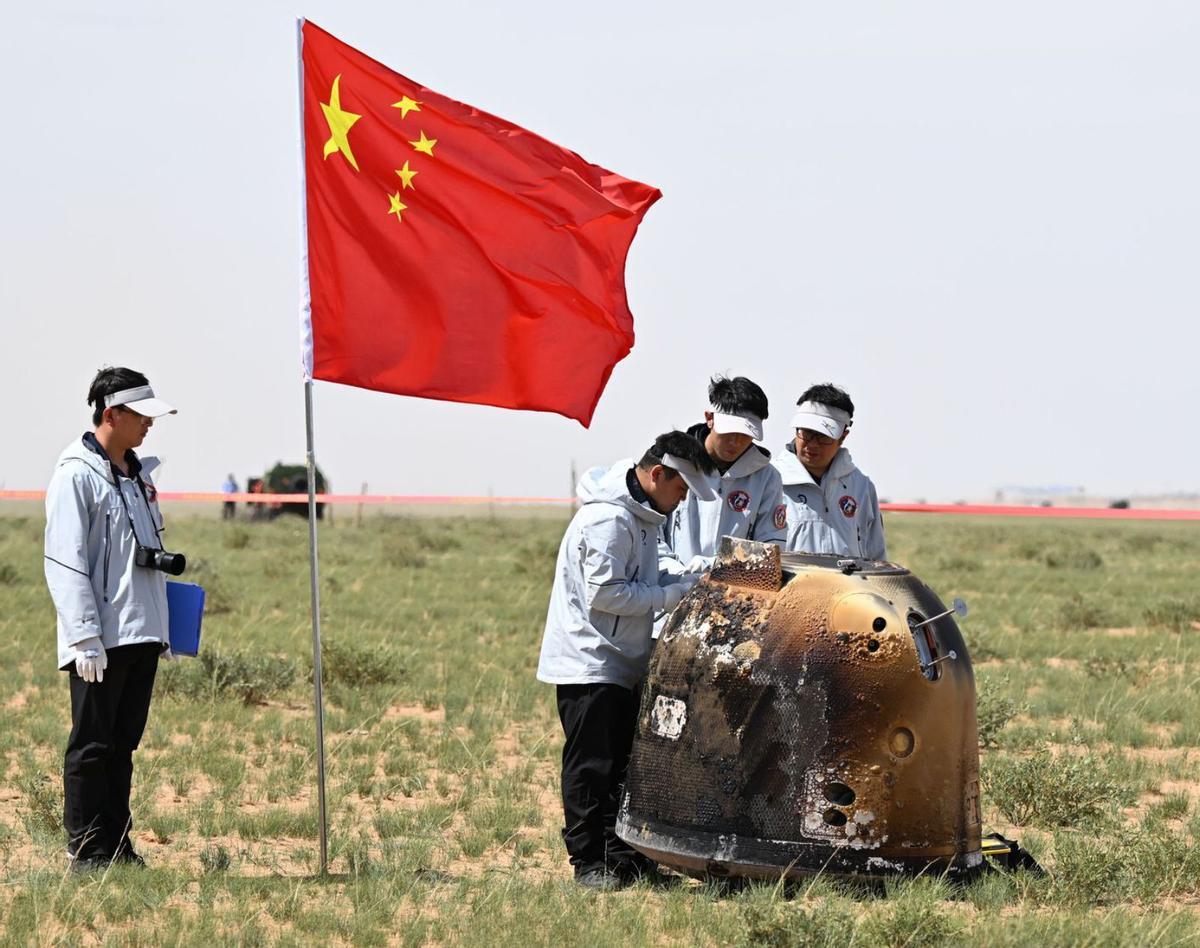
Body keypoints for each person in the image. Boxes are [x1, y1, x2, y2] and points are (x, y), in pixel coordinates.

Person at [537, 431, 716, 891]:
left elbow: (650, 574)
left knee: (623, 765)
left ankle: (625, 862)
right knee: (591, 767)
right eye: (680, 491)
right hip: (590, 662)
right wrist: (670, 595)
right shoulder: (609, 522)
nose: (681, 502)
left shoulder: (643, 517)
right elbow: (606, 593)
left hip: (621, 661)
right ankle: (588, 864)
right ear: (657, 475)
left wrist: (696, 573)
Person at [44, 366, 179, 871]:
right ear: (111, 414)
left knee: (123, 746)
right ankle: (86, 850)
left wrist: (164, 627)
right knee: (91, 746)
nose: (150, 425)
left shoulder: (140, 474)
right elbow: (64, 559)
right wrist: (83, 636)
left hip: (142, 631)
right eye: (141, 416)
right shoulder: (75, 474)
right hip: (99, 638)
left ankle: (118, 847)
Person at [659, 375, 787, 577]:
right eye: (729, 432)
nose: (735, 442)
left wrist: (719, 565)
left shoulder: (767, 478)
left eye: (746, 434)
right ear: (710, 418)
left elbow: (770, 549)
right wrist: (671, 569)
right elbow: (650, 533)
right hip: (669, 588)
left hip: (733, 596)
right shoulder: (673, 461)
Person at [772, 383, 886, 560]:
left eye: (823, 436)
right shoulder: (771, 481)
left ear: (843, 436)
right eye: (807, 433)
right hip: (790, 587)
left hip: (849, 587)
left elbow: (877, 554)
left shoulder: (861, 486)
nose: (813, 444)